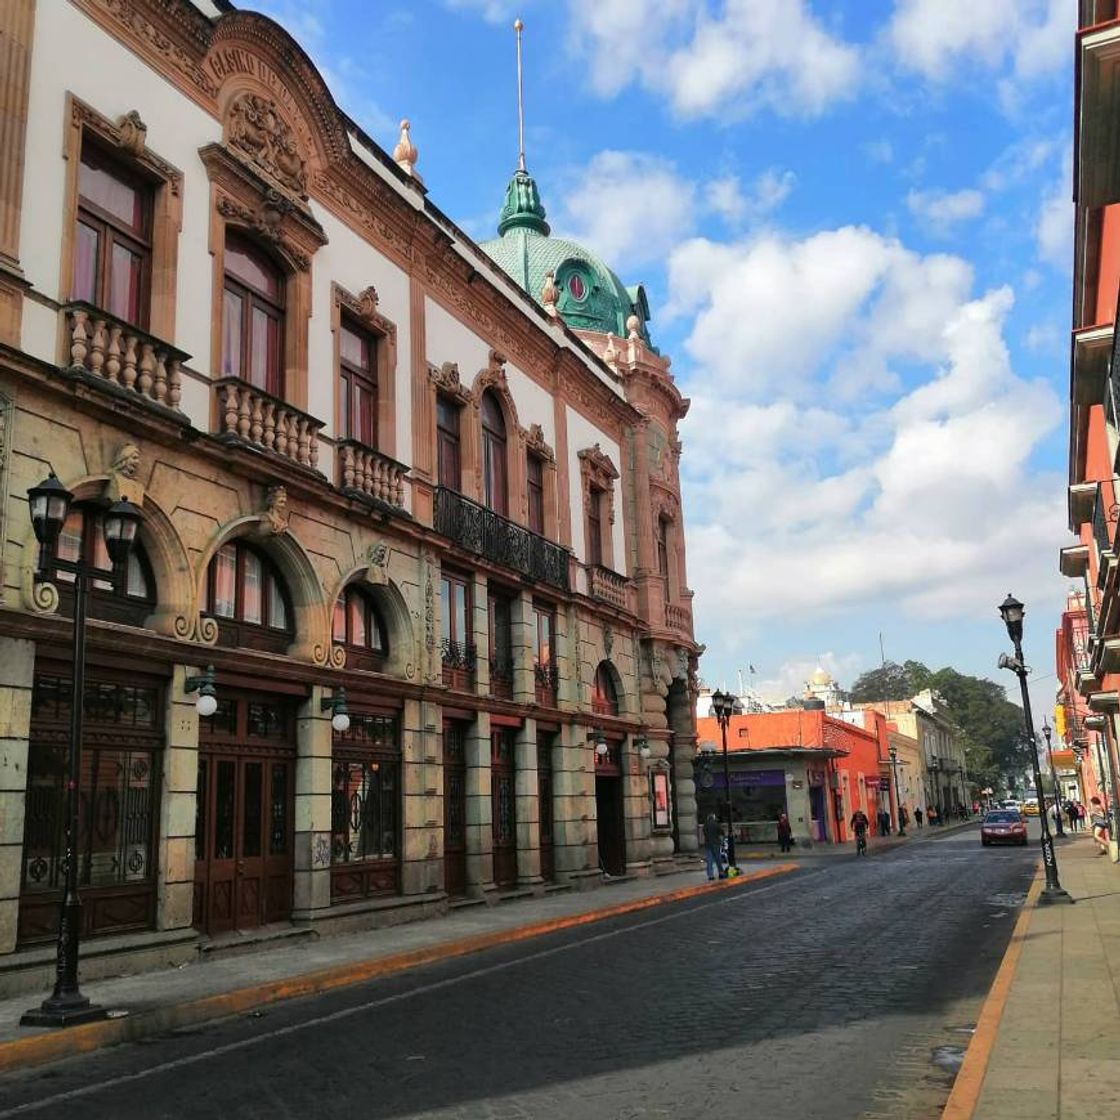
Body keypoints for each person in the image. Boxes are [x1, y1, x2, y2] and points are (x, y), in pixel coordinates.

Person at [702, 813, 724, 880]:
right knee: (718, 858)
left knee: (709, 860)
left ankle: (710, 875)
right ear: (713, 817)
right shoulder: (716, 824)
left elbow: (704, 833)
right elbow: (721, 832)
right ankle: (721, 873)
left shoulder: (705, 825)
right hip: (716, 843)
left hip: (708, 844)